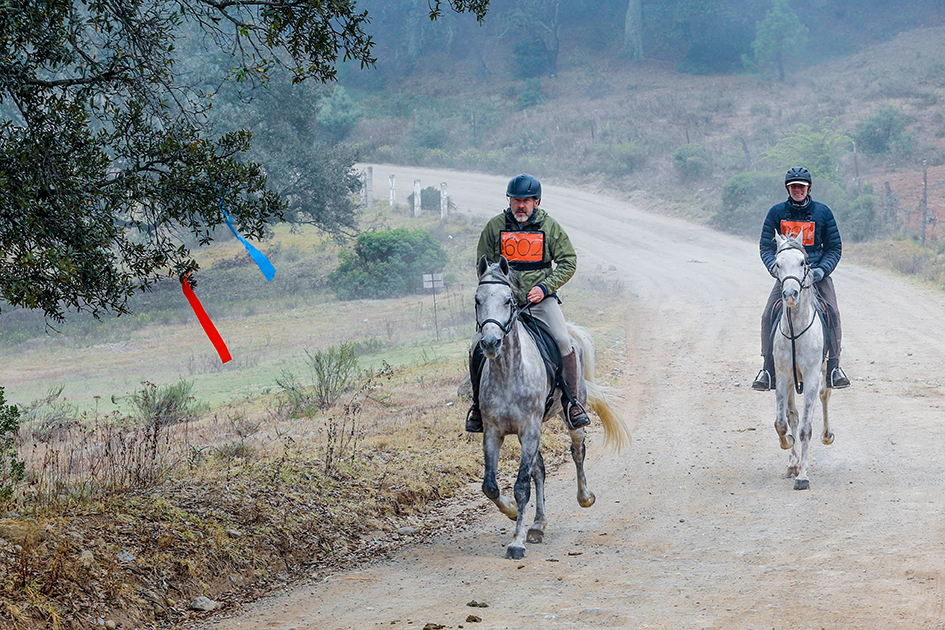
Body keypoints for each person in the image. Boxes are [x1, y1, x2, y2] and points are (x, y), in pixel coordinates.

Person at [465, 173, 590, 433]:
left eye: (527, 201)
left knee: (564, 341)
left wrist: (544, 288)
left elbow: (569, 261)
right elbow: (484, 267)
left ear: (537, 202)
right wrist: (500, 293)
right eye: (516, 200)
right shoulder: (494, 227)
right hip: (504, 305)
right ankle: (477, 406)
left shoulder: (550, 228)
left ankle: (572, 402)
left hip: (539, 301)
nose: (520, 206)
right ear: (509, 201)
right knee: (477, 345)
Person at [752, 166, 851, 391]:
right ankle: (768, 369)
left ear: (809, 188)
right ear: (788, 188)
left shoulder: (823, 213)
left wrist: (821, 271)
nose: (798, 190)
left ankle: (834, 367)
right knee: (768, 314)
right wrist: (775, 269)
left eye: (801, 186)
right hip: (789, 276)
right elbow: (766, 247)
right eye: (794, 186)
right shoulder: (776, 213)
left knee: (833, 312)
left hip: (815, 274)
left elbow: (834, 248)